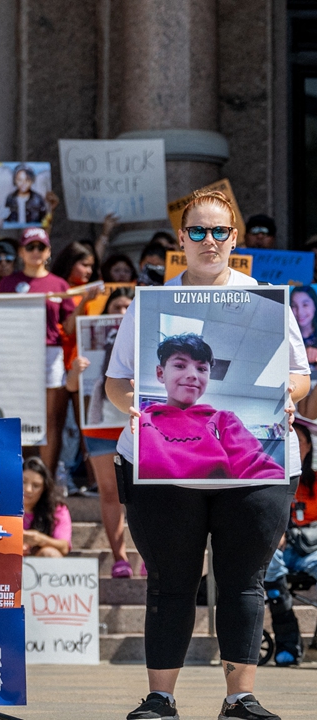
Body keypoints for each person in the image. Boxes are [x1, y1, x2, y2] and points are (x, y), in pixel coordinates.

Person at [104, 190, 309, 720]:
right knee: (171, 581)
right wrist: (137, 409)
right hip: (159, 466)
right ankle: (160, 697)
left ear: (234, 239)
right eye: (197, 231)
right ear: (181, 239)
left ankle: (240, 698)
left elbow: (300, 376)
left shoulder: (267, 300)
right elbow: (115, 383)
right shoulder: (148, 305)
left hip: (254, 468)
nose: (209, 241)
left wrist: (287, 394)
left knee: (245, 579)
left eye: (219, 231)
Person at [0, 227, 94, 487]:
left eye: (41, 247)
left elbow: (70, 327)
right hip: (18, 354)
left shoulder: (59, 285)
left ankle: (46, 480)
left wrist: (84, 300)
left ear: (49, 251)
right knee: (18, 415)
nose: (35, 252)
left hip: (50, 353)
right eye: (30, 247)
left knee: (50, 419)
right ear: (21, 252)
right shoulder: (8, 284)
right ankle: (20, 478)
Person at [139, 334, 285, 481]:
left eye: (201, 369)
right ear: (160, 373)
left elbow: (257, 465)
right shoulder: (141, 421)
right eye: (180, 366)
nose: (192, 375)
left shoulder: (224, 421)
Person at [66, 287, 136, 577]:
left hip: (135, 425)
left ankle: (149, 555)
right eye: (116, 307)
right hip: (101, 429)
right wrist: (75, 372)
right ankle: (119, 558)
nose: (121, 312)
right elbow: (71, 388)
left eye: (127, 308)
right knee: (109, 493)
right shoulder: (90, 345)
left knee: (144, 494)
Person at [263, 418, 316, 666]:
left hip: (311, 549)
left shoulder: (314, 480)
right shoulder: (271, 477)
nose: (298, 446)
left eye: (302, 441)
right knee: (269, 557)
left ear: (308, 447)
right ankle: (288, 642)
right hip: (282, 548)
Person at [21, 457, 72, 557]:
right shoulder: (2, 506)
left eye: (35, 485)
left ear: (44, 488)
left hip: (40, 566)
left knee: (50, 553)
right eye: (23, 482)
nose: (28, 489)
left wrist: (40, 539)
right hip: (7, 562)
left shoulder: (57, 509)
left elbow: (64, 547)